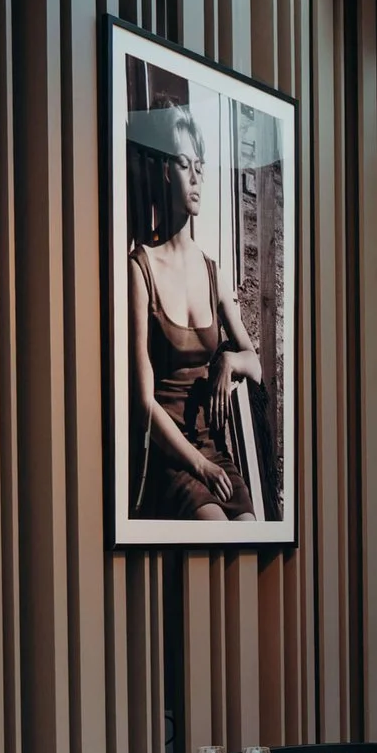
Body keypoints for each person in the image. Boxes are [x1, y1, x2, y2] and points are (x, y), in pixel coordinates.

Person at [127, 100, 265, 521]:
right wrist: (197, 465)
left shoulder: (212, 272)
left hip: (214, 451)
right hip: (171, 460)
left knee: (250, 529)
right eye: (186, 165)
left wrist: (228, 360)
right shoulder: (140, 268)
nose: (197, 176)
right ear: (166, 170)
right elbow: (143, 400)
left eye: (200, 165)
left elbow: (256, 366)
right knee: (218, 528)